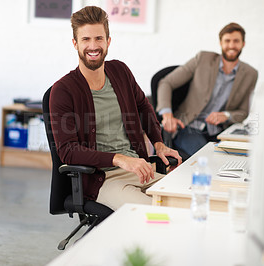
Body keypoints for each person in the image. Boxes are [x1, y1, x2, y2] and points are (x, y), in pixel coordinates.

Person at [50, 6, 181, 211]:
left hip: (141, 170)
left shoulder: (120, 71)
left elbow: (143, 107)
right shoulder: (63, 90)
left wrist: (159, 143)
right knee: (155, 214)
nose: (93, 46)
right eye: (86, 39)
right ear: (75, 43)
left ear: (108, 41)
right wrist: (120, 160)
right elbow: (68, 151)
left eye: (99, 38)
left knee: (185, 202)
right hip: (104, 180)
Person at [156, 22, 258, 158]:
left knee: (244, 157)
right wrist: (167, 115)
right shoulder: (203, 59)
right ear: (221, 43)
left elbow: (243, 112)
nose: (232, 45)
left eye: (236, 41)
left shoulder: (250, 73)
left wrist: (226, 115)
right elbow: (166, 82)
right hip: (189, 128)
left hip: (220, 131)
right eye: (227, 41)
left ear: (243, 44)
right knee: (208, 159)